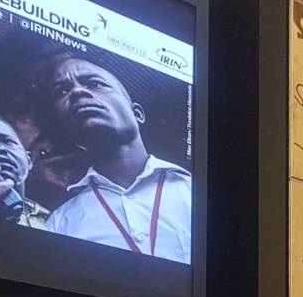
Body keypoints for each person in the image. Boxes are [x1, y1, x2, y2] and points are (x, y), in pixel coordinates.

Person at [41, 56, 191, 263]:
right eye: (61, 92)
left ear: (137, 113)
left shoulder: (195, 194)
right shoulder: (59, 223)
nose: (76, 92)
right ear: (68, 132)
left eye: (94, 83)